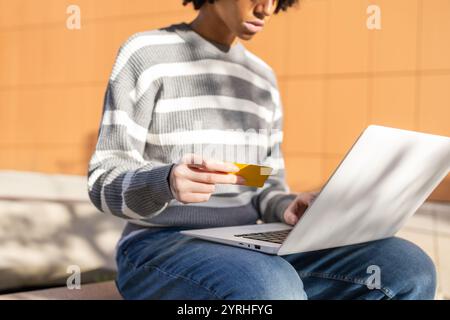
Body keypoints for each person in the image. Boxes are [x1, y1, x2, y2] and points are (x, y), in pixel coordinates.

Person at [87, 0, 436, 299]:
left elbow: (261, 184)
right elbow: (104, 176)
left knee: (407, 268)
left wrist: (287, 207)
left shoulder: (261, 78)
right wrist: (164, 181)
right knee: (271, 288)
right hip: (158, 243)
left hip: (246, 243)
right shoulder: (146, 54)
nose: (266, 7)